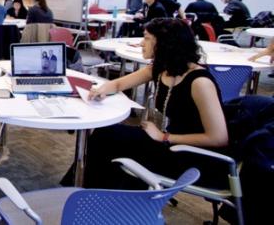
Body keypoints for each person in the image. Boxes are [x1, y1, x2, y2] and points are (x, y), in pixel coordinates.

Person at [80, 18, 229, 190]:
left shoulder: (199, 82)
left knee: (109, 139)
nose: (142, 43)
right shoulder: (162, 68)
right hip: (172, 143)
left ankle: (95, 197)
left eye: (147, 38)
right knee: (106, 134)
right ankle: (95, 195)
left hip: (193, 155)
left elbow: (218, 138)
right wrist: (103, 89)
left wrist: (164, 137)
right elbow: (119, 84)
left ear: (165, 43)